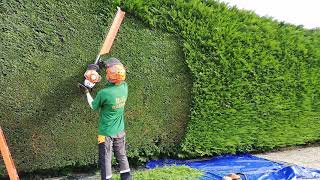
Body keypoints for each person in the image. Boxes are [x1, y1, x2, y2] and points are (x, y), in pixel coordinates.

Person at [79, 58, 132, 180]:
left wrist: (87, 92)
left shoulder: (104, 93)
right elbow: (118, 70)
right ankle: (127, 177)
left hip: (105, 132)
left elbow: (93, 106)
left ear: (110, 77)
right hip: (120, 130)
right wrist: (106, 65)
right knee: (122, 155)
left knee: (106, 158)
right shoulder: (124, 87)